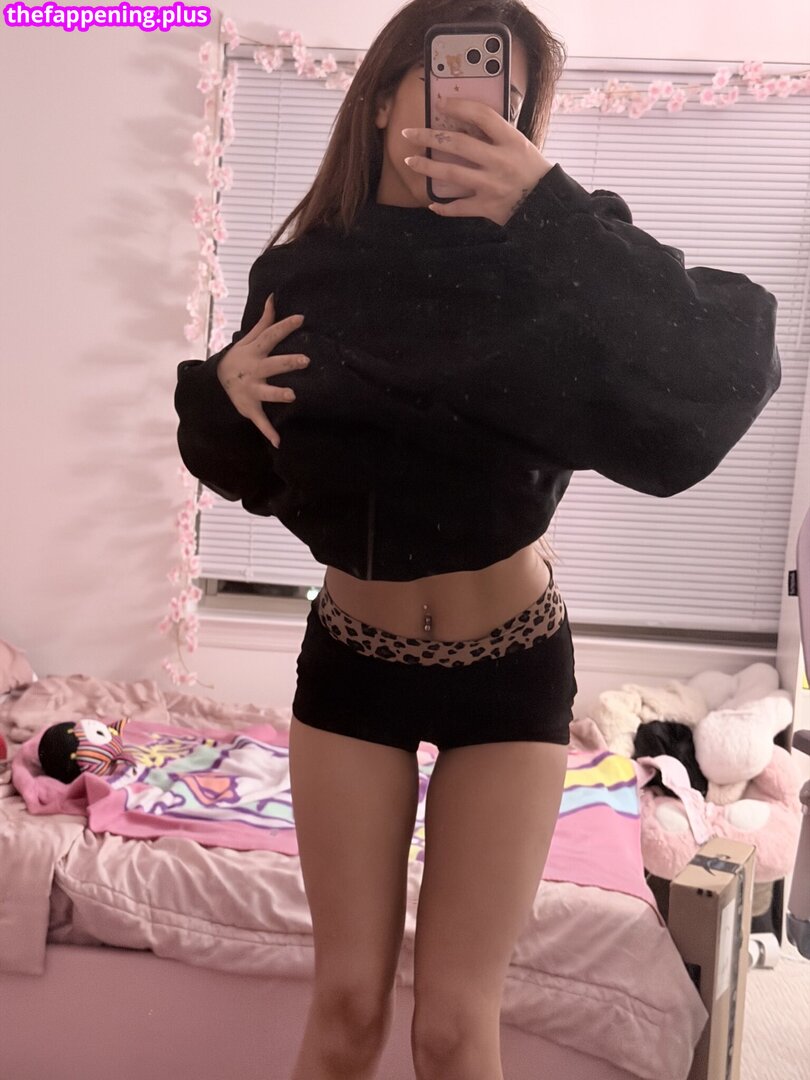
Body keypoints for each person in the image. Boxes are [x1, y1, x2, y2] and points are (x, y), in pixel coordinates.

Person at [174, 2, 779, 1077]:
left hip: (510, 664)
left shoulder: (562, 259)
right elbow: (261, 476)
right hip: (354, 660)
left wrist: (550, 211)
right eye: (447, 79)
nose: (472, 111)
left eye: (505, 96)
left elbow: (722, 370)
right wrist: (219, 396)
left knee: (454, 1026)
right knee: (347, 1009)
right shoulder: (307, 274)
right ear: (380, 99)